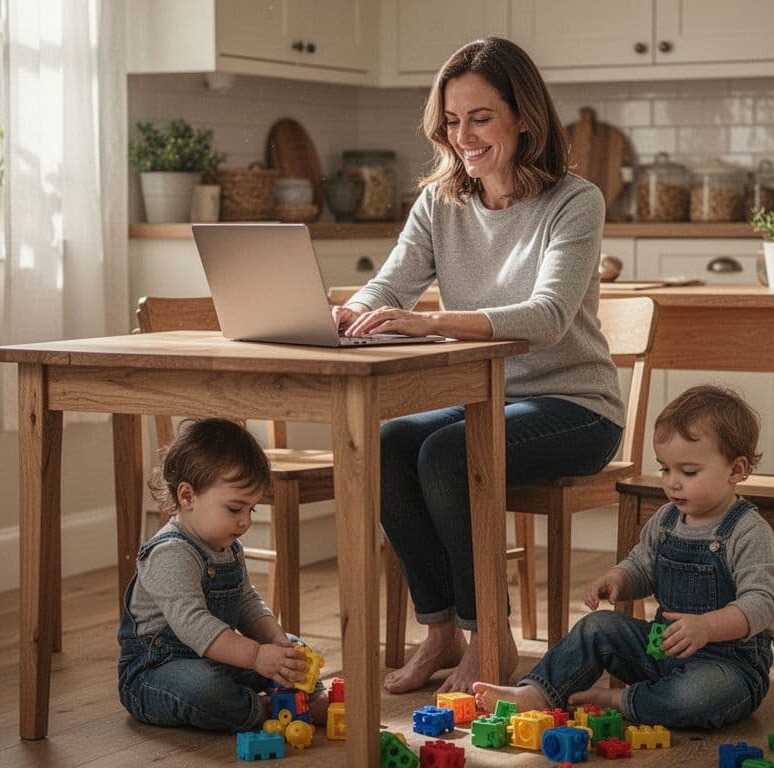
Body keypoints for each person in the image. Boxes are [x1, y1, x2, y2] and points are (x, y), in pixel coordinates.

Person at [332, 37, 625, 694]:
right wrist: (350, 313)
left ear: (523, 116)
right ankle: (439, 631)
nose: (463, 135)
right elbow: (390, 285)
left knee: (447, 453)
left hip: (575, 409)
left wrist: (431, 321)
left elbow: (547, 317)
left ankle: (488, 635)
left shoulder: (575, 201)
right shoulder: (442, 201)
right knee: (388, 443)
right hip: (489, 399)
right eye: (452, 120)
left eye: (481, 117)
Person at [473, 385, 774, 730]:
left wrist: (707, 627)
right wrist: (619, 579)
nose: (673, 483)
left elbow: (762, 603)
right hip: (661, 649)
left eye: (689, 472)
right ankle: (537, 692)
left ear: (736, 470)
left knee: (695, 696)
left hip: (729, 666)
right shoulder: (666, 521)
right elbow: (642, 566)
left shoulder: (749, 532)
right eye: (666, 469)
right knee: (597, 627)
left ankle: (623, 701)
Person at [117, 418, 327, 731]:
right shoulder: (169, 552)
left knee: (293, 648)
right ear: (187, 497)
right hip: (157, 671)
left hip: (219, 659)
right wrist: (257, 656)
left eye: (251, 510)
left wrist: (276, 641)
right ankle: (263, 707)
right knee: (204, 688)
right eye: (234, 509)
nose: (244, 522)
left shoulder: (228, 547)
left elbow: (246, 601)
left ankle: (308, 696)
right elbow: (195, 627)